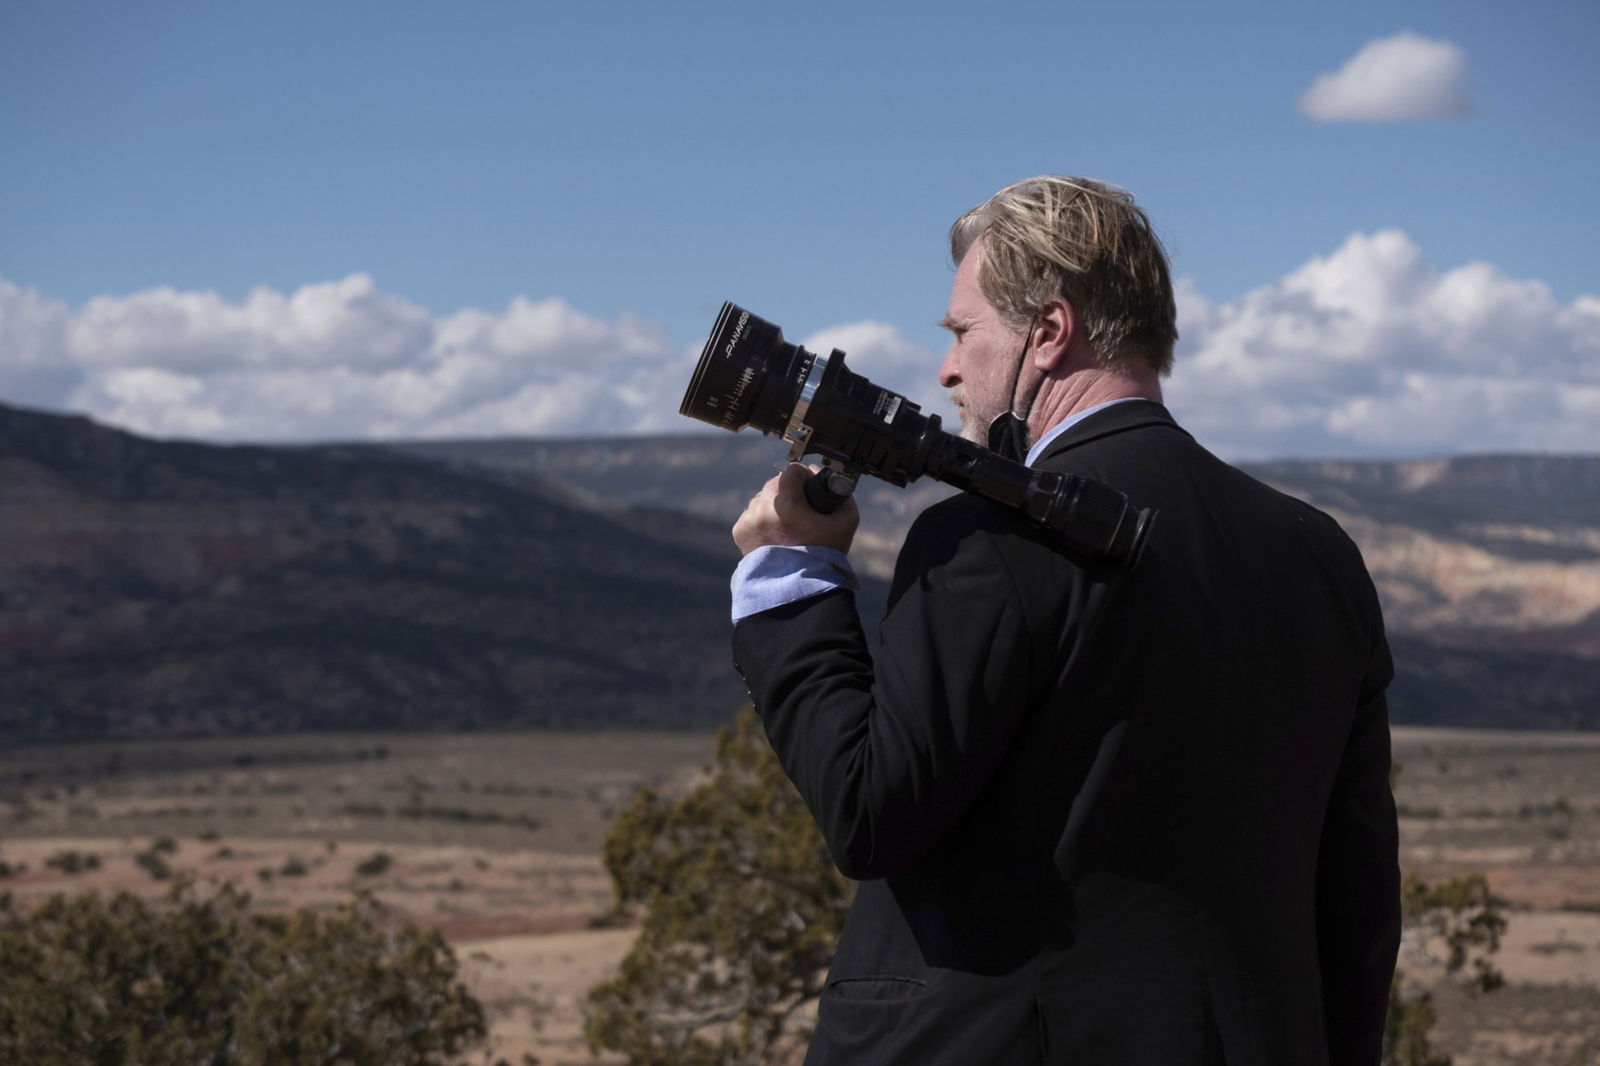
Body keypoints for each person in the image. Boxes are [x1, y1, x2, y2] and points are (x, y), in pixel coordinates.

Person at [729, 176, 1400, 1066]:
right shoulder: (1319, 554)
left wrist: (792, 579)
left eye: (962, 333)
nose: (947, 370)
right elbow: (1358, 896)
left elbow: (869, 811)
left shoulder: (989, 538)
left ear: (1048, 332)